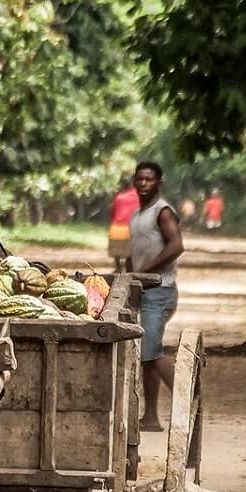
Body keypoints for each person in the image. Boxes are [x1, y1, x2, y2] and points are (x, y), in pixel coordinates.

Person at [129, 161, 184, 432]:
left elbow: (176, 245)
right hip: (144, 290)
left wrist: (144, 272)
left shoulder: (162, 212)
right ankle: (150, 416)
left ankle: (187, 399)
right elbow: (135, 255)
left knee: (150, 351)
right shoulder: (137, 216)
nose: (143, 184)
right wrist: (127, 278)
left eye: (149, 180)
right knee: (145, 355)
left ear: (158, 183)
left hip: (160, 290)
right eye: (139, 179)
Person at [107, 175, 140, 273]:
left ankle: (118, 268)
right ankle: (130, 269)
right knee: (132, 252)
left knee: (117, 249)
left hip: (116, 229)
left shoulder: (119, 196)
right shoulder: (142, 196)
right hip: (133, 230)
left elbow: (113, 214)